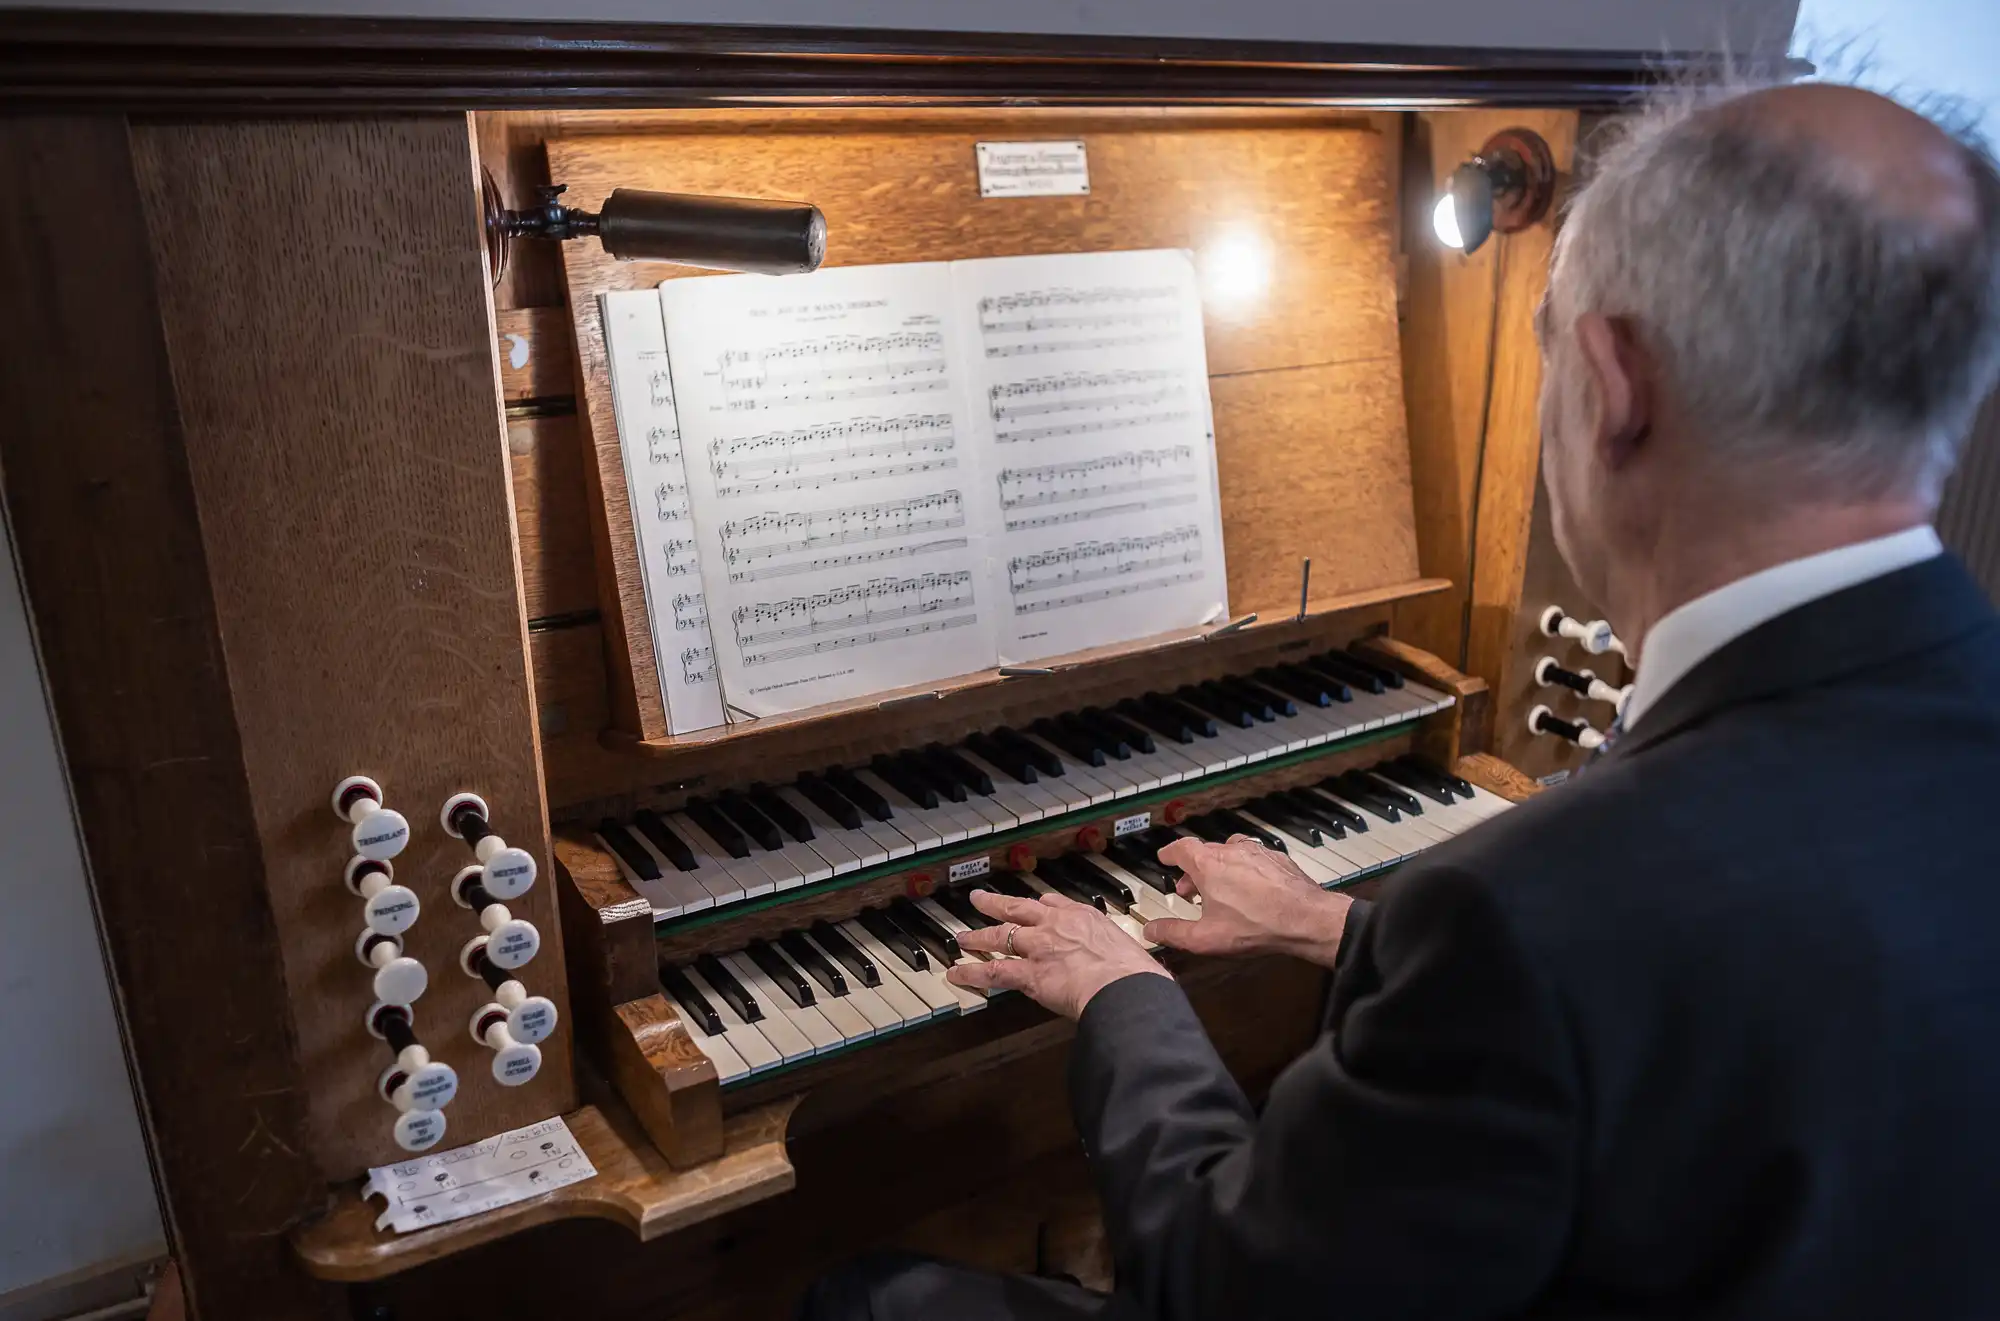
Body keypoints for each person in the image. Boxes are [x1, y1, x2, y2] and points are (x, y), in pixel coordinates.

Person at [801, 78, 2000, 1321]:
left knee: (871, 1298)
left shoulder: (1524, 913)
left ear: (1612, 382)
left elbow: (1223, 1288)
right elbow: (1712, 983)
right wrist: (1343, 930)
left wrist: (1125, 997)